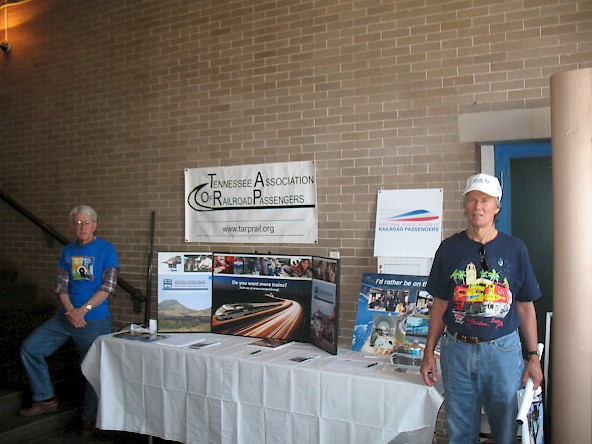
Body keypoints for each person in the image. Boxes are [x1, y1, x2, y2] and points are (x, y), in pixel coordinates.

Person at [420, 173, 543, 444]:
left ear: (496, 207)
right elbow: (440, 304)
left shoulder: (515, 249)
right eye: (472, 199)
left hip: (502, 351)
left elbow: (525, 307)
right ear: (465, 205)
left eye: (485, 200)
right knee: (460, 432)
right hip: (456, 350)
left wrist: (533, 357)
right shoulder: (449, 249)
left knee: (505, 431)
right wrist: (429, 352)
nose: (478, 206)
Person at [19, 205, 118, 437]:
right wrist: (71, 311)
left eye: (86, 223)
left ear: (95, 225)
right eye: (78, 223)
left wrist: (83, 310)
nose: (82, 227)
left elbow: (108, 286)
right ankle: (45, 398)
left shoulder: (106, 249)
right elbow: (61, 286)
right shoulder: (67, 251)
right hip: (65, 318)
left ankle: (89, 417)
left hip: (93, 321)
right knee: (30, 349)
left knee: (91, 370)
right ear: (72, 226)